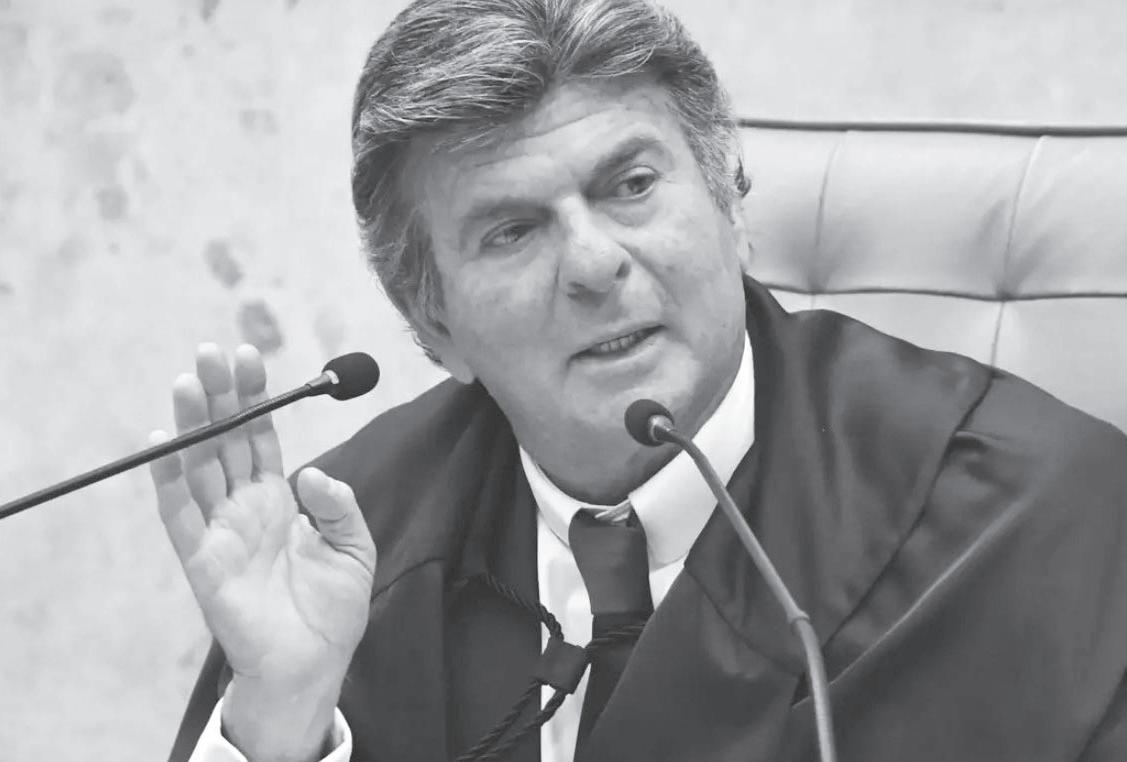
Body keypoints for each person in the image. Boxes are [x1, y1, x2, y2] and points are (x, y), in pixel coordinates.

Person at [152, 0, 1127, 760]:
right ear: (433, 323)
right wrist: (278, 719)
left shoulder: (1036, 515)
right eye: (512, 230)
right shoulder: (352, 544)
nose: (592, 264)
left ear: (729, 201)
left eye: (630, 185)